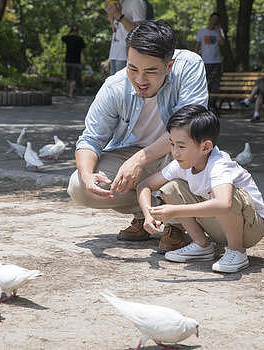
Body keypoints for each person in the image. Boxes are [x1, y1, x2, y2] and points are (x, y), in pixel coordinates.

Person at [67, 20, 208, 254]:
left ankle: (176, 223)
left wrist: (139, 160)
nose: (140, 80)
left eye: (151, 71)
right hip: (134, 154)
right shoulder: (114, 86)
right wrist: (87, 175)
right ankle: (148, 214)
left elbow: (188, 126)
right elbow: (90, 139)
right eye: (133, 69)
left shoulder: (189, 66)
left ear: (169, 66)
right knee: (78, 186)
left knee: (186, 151)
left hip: (178, 152)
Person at [136, 104, 264, 273]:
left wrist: (176, 211)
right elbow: (145, 185)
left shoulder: (219, 165)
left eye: (181, 146)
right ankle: (202, 245)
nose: (174, 153)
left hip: (251, 229)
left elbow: (223, 205)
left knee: (228, 197)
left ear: (206, 147)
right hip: (219, 226)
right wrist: (148, 216)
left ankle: (236, 251)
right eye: (172, 144)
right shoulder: (181, 164)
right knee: (172, 188)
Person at [104, 0, 147, 75]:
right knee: (114, 86)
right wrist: (110, 14)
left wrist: (119, 16)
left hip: (126, 56)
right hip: (115, 53)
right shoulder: (118, 2)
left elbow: (139, 33)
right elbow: (115, 30)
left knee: (123, 86)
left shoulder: (136, 2)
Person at [195, 12, 226, 108]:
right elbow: (196, 47)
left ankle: (213, 103)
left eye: (216, 20)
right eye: (213, 19)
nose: (214, 21)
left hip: (217, 61)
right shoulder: (201, 32)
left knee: (216, 82)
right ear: (210, 19)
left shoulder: (219, 31)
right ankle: (204, 103)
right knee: (203, 82)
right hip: (205, 61)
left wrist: (218, 31)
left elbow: (222, 43)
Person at [62, 27, 87, 99]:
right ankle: (71, 94)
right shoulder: (80, 39)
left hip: (68, 61)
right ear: (77, 31)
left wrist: (69, 34)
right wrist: (85, 59)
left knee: (68, 78)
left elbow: (63, 37)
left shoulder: (67, 38)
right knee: (74, 79)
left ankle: (68, 92)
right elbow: (84, 50)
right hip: (76, 62)